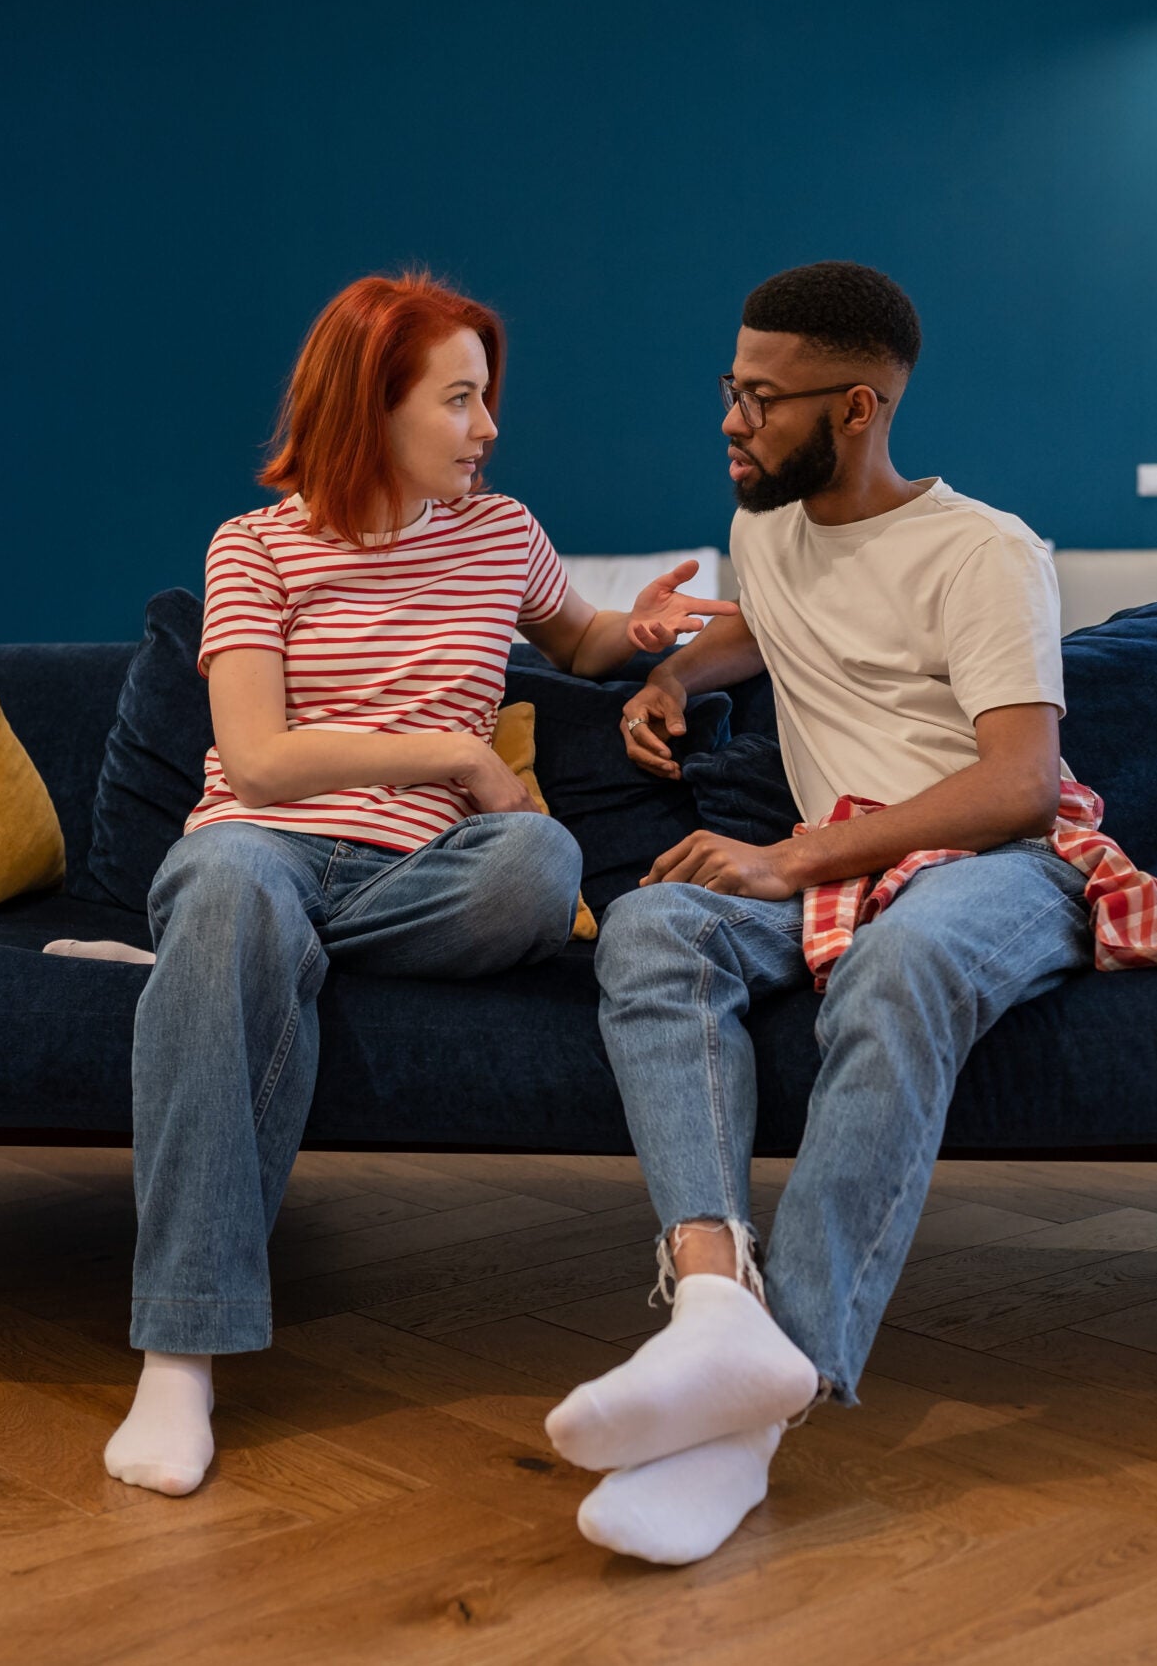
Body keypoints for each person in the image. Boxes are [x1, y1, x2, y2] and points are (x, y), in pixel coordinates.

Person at [104, 272, 737, 1497]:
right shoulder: (255, 549)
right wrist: (455, 751)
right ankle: (178, 1350)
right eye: (459, 400)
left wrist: (644, 631)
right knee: (233, 890)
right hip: (261, 844)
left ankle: (264, 966)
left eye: (486, 399)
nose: (487, 428)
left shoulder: (501, 533)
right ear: (371, 405)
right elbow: (257, 758)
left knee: (541, 858)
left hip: (425, 880)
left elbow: (578, 642)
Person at [547, 261, 1088, 1564]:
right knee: (651, 921)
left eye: (760, 398)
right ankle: (714, 1306)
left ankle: (761, 1406)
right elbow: (781, 626)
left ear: (856, 408)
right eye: (728, 388)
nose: (729, 420)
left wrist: (803, 853)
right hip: (834, 862)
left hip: (994, 863)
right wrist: (674, 672)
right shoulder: (771, 530)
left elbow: (1019, 784)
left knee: (901, 965)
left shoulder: (984, 549)